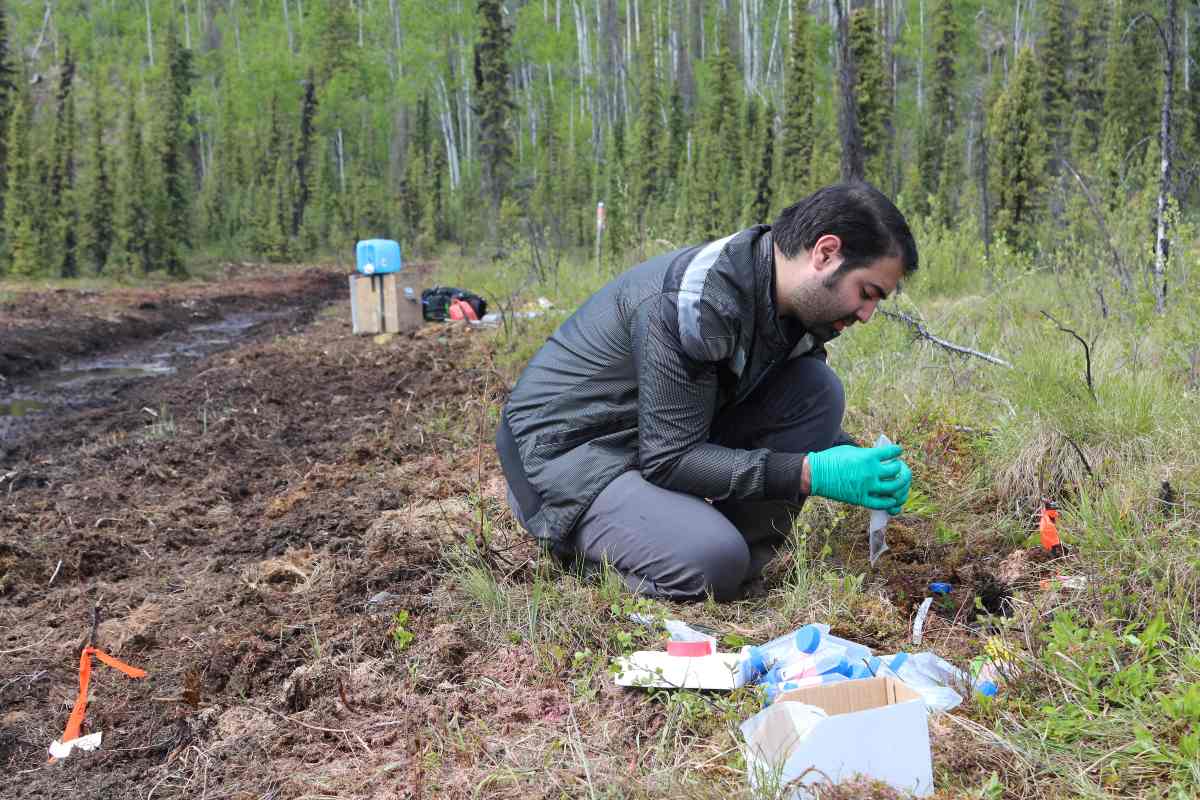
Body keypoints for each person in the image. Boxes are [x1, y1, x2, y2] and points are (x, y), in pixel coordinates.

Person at [496, 182, 917, 600]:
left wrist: (849, 457)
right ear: (825, 253)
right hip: (566, 457)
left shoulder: (789, 304)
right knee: (712, 560)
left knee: (815, 388)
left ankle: (728, 564)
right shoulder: (698, 301)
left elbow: (766, 409)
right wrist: (811, 472)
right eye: (866, 293)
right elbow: (669, 459)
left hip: (646, 436)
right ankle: (613, 555)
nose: (866, 314)